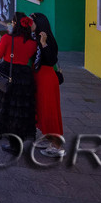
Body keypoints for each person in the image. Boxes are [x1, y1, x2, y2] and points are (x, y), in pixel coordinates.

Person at [0, 14, 38, 142]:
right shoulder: (33, 43)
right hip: (24, 75)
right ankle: (18, 134)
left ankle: (5, 132)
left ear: (15, 24)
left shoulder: (6, 38)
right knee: (19, 105)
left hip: (7, 71)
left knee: (4, 103)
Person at [30, 13, 64, 151]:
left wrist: (43, 44)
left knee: (50, 111)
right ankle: (47, 136)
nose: (29, 23)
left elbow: (51, 60)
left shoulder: (48, 39)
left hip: (47, 79)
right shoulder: (33, 37)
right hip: (38, 77)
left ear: (39, 23)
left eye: (31, 22)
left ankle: (57, 145)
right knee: (41, 110)